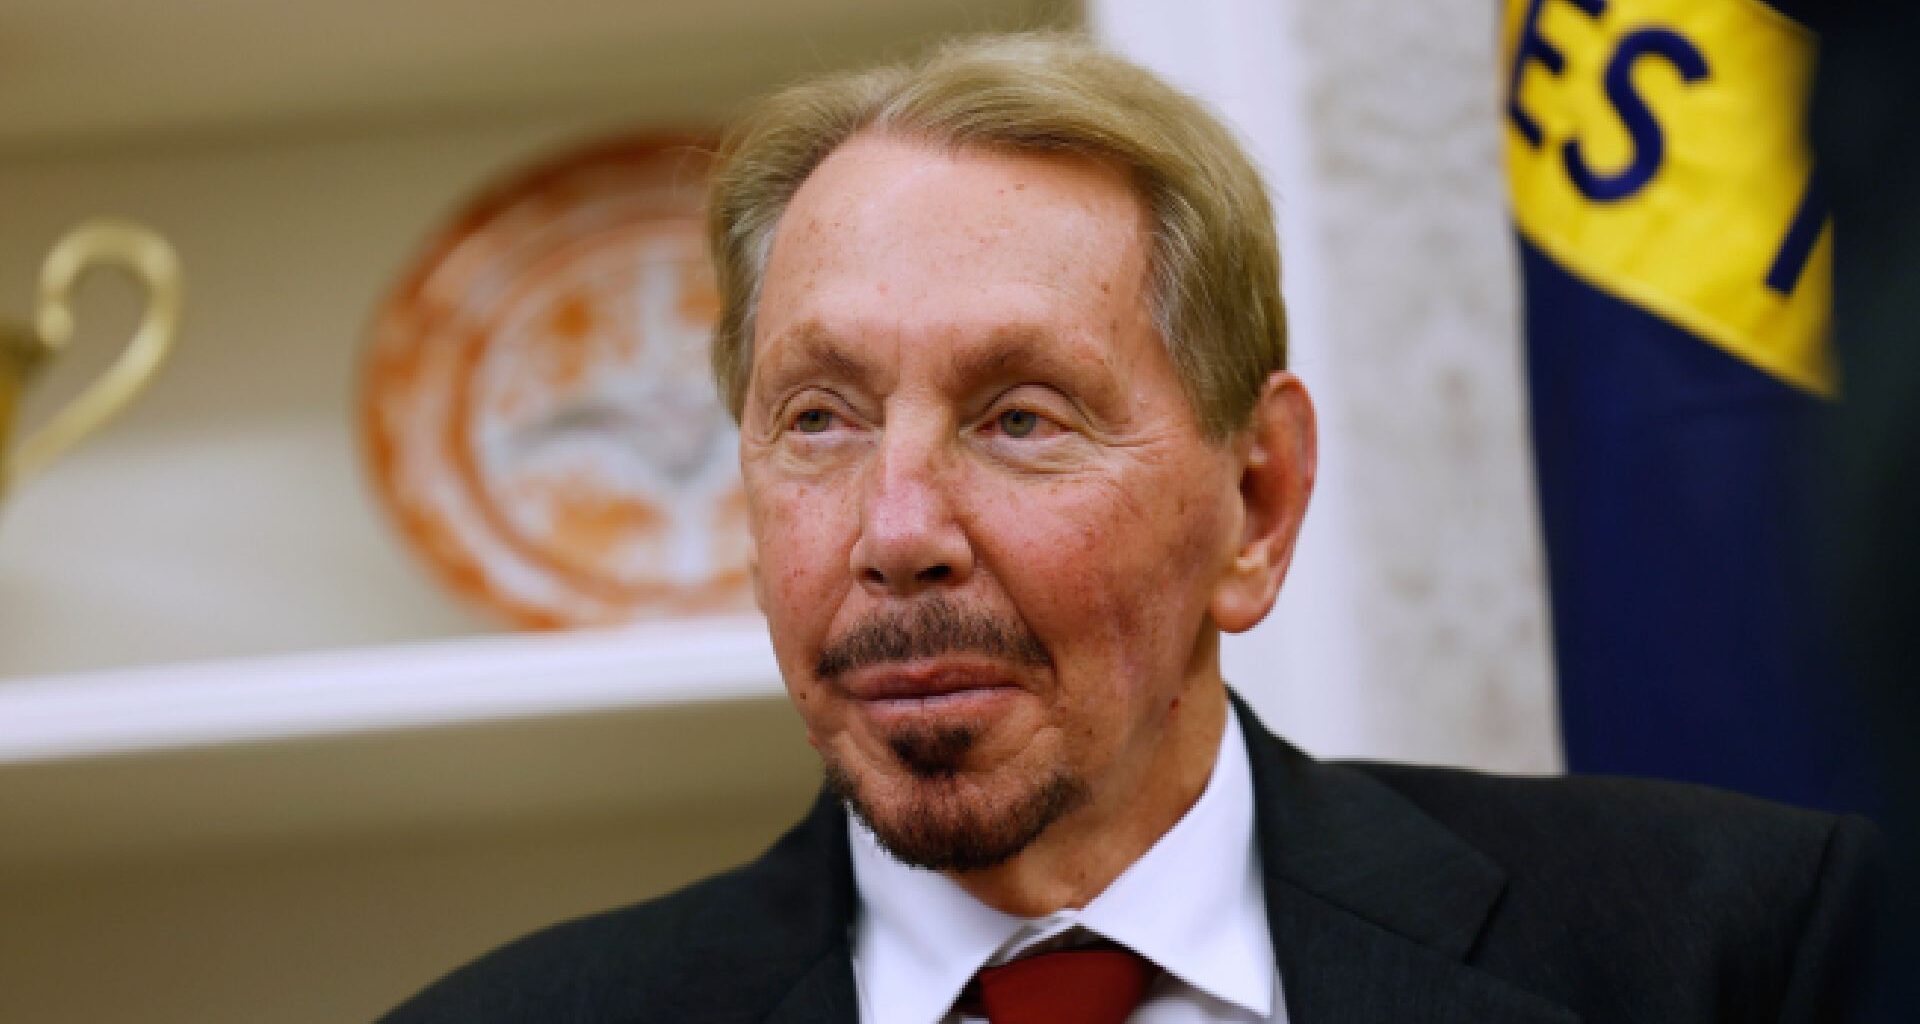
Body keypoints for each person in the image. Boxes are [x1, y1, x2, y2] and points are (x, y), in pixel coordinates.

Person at [383, 32, 1882, 1023]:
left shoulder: (1734, 948)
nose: (894, 531)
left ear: (1256, 503)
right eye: (820, 420)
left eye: (1020, 418)